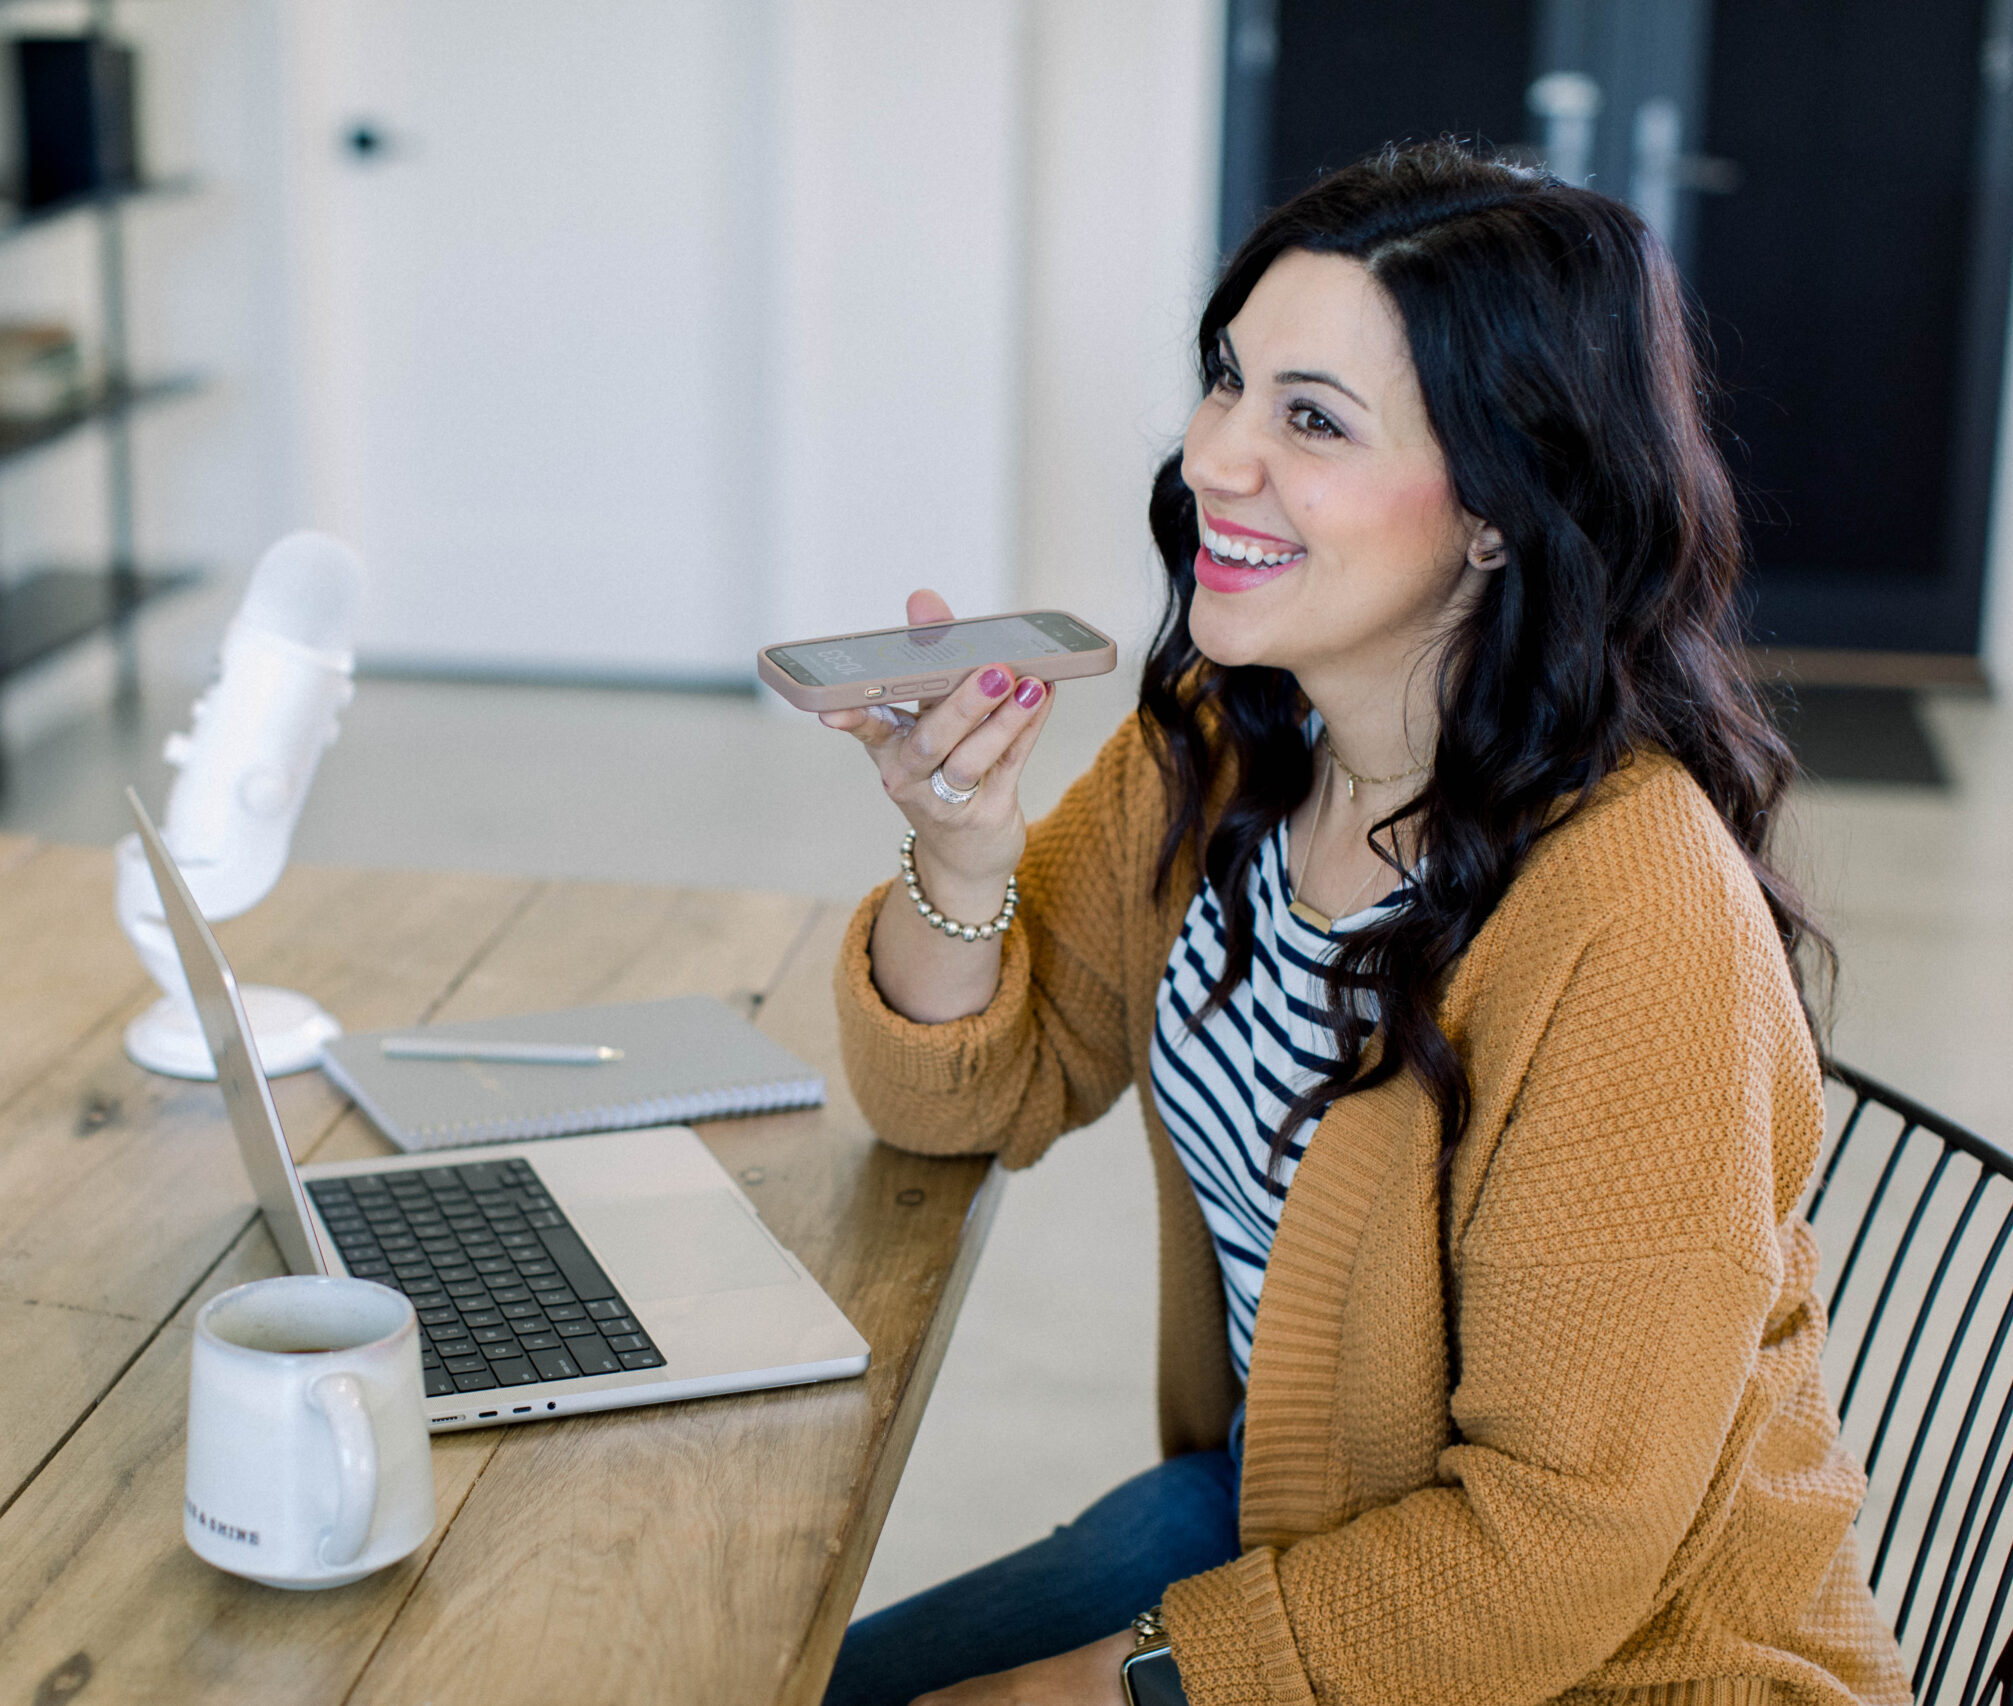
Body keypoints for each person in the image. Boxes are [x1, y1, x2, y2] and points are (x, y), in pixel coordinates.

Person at [816, 142, 1909, 1706]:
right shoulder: (1227, 732)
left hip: (1612, 1660)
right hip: (1310, 1519)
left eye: (1310, 420)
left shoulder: (1635, 919)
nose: (1215, 457)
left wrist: (1076, 1690)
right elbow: (962, 1098)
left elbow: (1556, 1543)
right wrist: (963, 848)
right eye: (1227, 381)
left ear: (1495, 510)